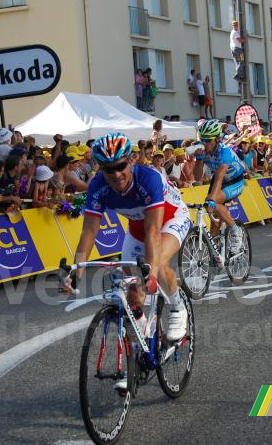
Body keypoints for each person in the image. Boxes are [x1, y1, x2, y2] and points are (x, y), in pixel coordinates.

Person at [70, 133, 191, 389]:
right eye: (108, 169)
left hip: (170, 219)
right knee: (131, 294)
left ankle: (177, 308)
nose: (115, 174)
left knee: (158, 263)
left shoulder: (148, 178)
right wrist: (75, 271)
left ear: (130, 160)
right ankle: (139, 355)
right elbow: (89, 232)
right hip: (136, 229)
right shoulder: (98, 187)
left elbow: (154, 233)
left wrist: (152, 273)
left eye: (120, 166)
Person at [192, 120, 246, 253]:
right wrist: (198, 160)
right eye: (202, 139)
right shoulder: (203, 150)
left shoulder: (225, 152)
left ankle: (235, 230)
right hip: (219, 181)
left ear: (216, 139)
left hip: (235, 181)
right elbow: (197, 177)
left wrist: (212, 199)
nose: (204, 143)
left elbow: (220, 177)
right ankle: (215, 254)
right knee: (214, 220)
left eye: (207, 140)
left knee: (212, 200)